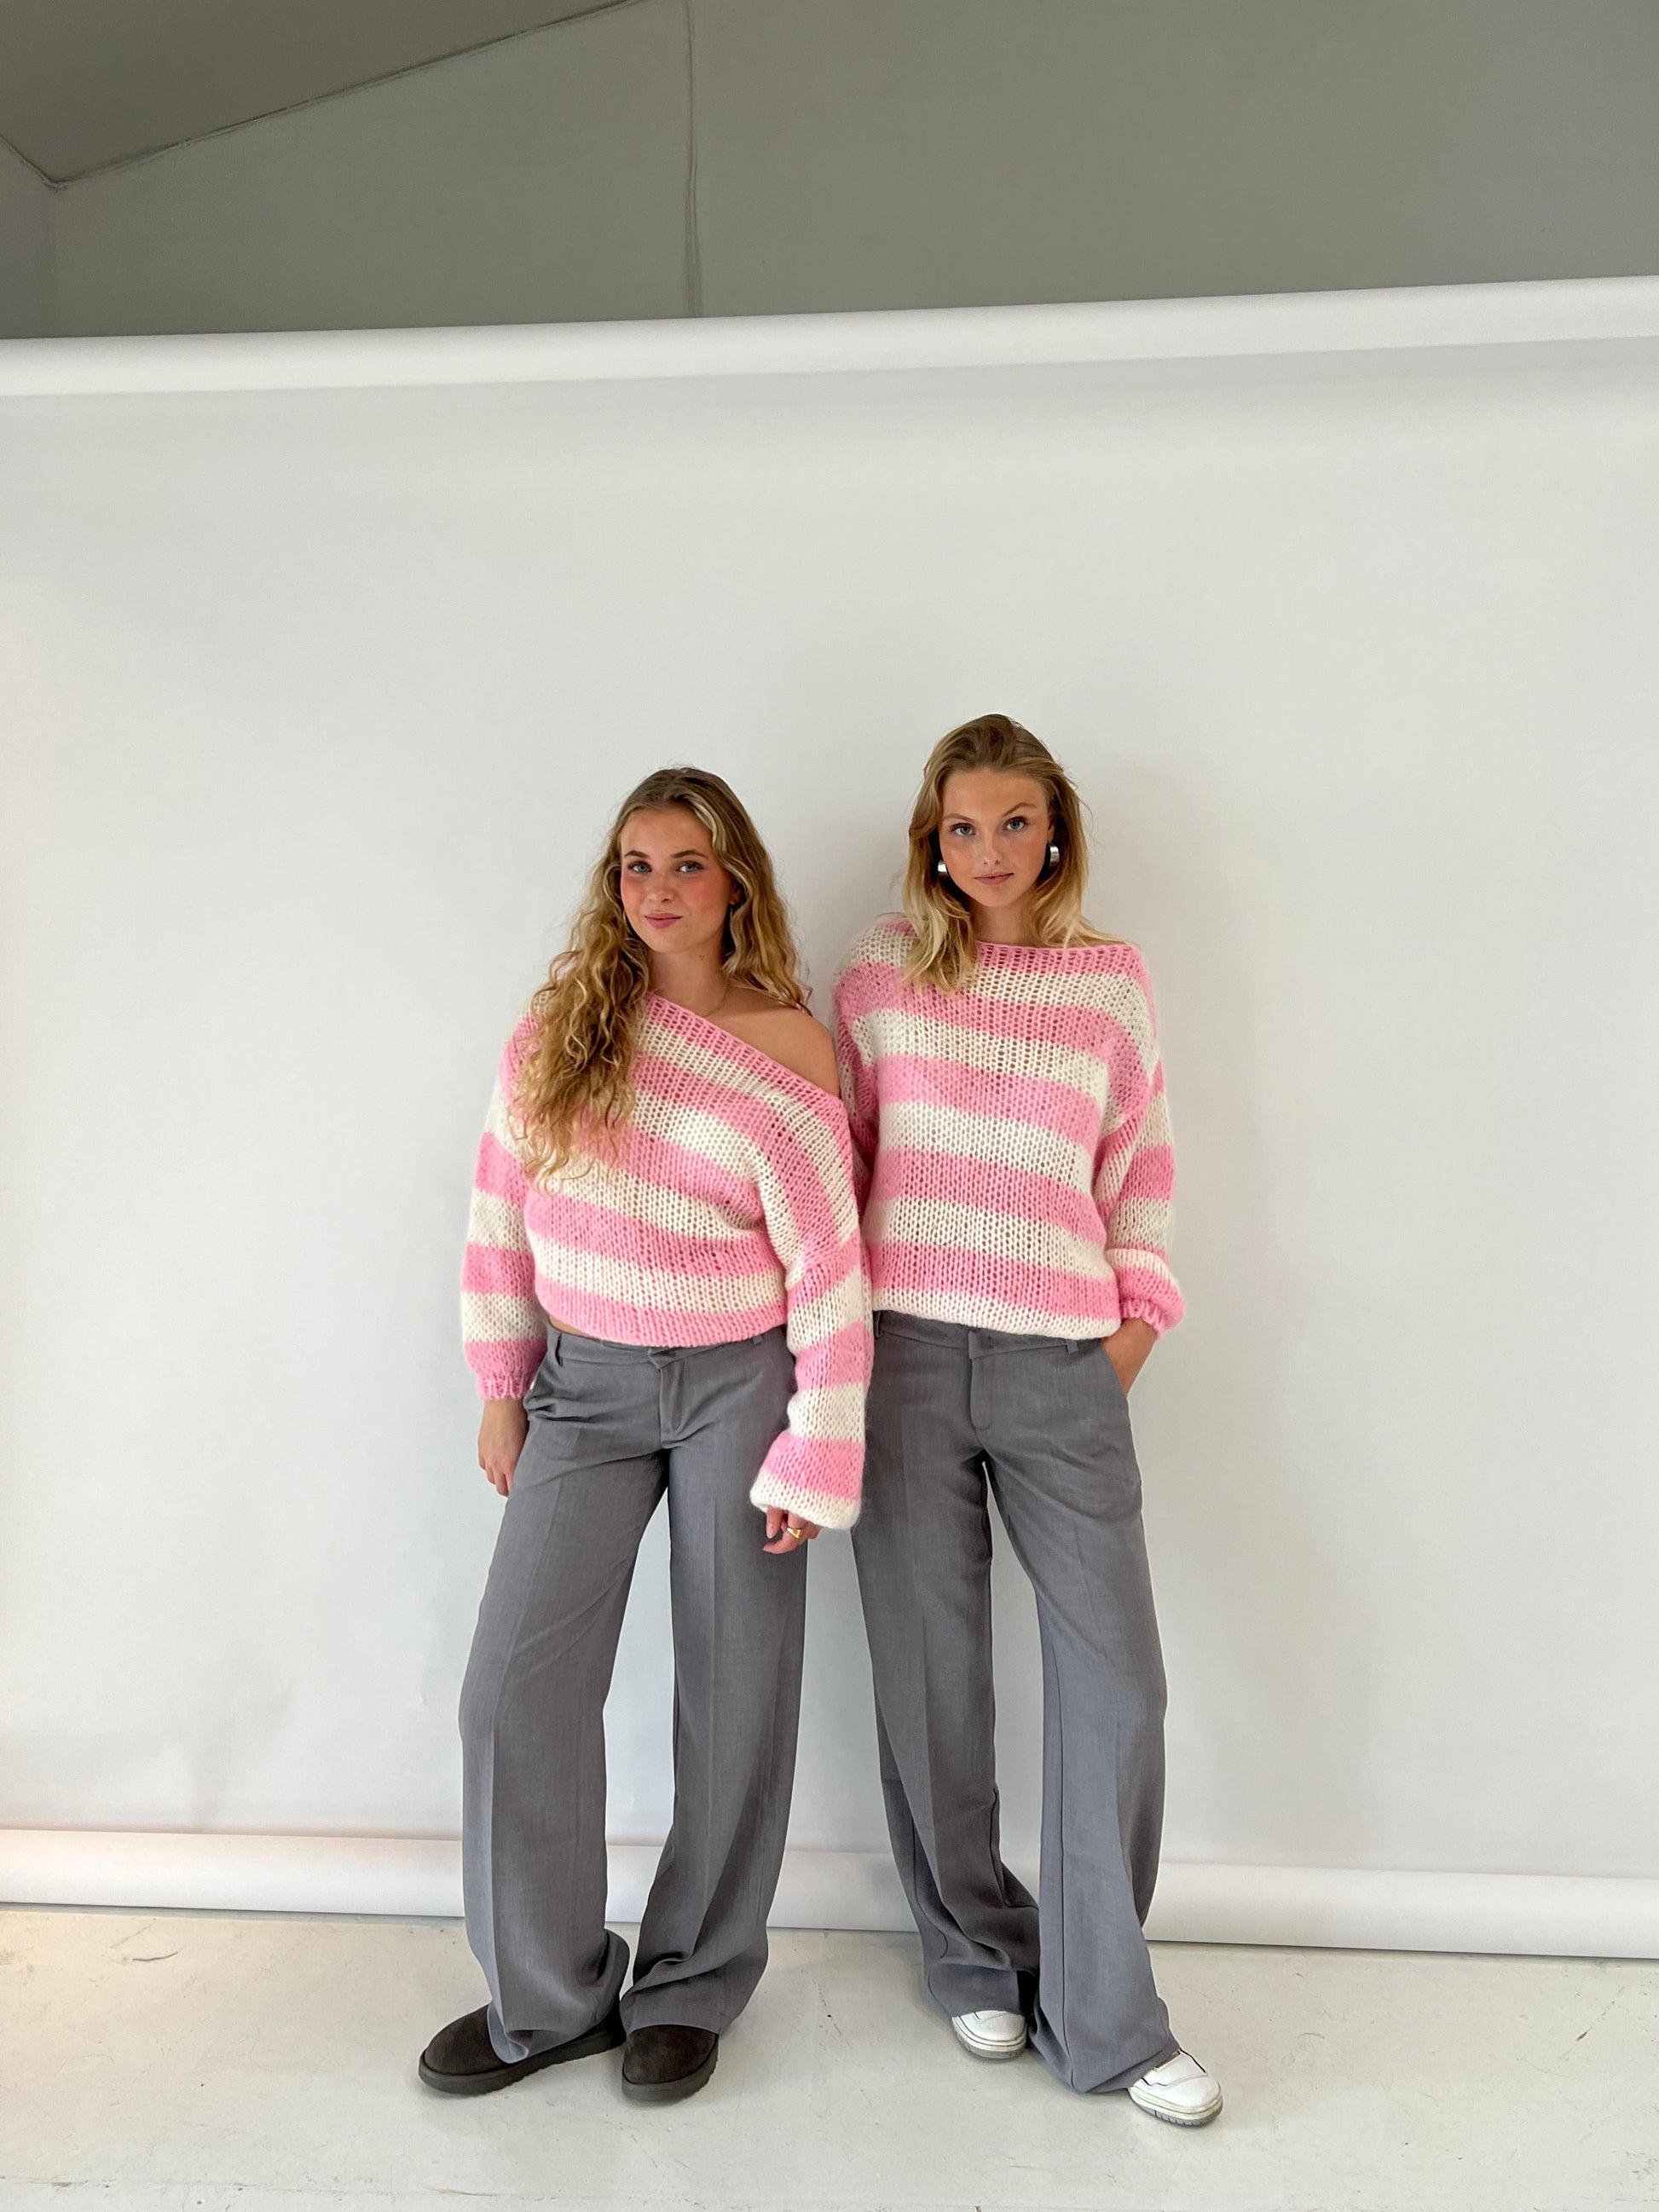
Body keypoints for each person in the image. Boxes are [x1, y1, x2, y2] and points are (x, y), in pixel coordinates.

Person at [420, 766, 870, 2106]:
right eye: (635, 864)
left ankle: (689, 1983)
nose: (658, 889)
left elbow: (829, 1267)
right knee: (512, 1691)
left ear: (734, 882)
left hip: (742, 1386)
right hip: (586, 1387)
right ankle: (548, 1998)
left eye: (685, 864)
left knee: (735, 1692)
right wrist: (501, 1380)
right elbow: (498, 1209)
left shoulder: (789, 1046)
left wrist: (821, 1440)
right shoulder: (561, 1027)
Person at [832, 714, 1221, 2125]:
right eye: (960, 827)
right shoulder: (878, 976)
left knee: (1119, 1687)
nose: (986, 849)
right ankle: (971, 1950)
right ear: (930, 842)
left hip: (1064, 1364)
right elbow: (838, 1174)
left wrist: (1126, 1338)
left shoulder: (1109, 983)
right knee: (931, 1680)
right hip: (903, 1359)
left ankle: (1106, 2011)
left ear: (1054, 833)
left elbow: (1140, 1169)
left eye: (1012, 823)